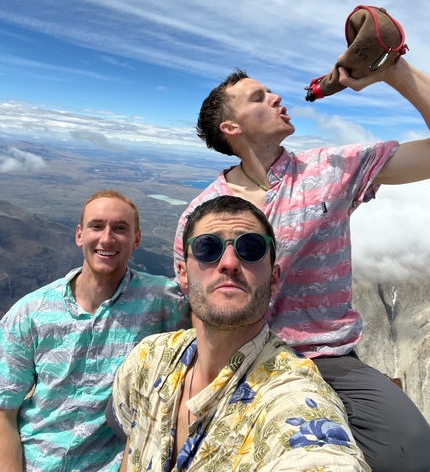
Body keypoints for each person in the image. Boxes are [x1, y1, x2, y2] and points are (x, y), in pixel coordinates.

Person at [173, 58, 430, 472]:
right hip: (235, 358)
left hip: (327, 358)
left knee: (412, 449)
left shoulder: (332, 169)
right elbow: (198, 305)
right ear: (231, 128)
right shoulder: (201, 214)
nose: (276, 97)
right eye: (259, 97)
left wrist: (393, 71)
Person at [112, 196, 369, 471]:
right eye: (208, 247)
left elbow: (317, 454)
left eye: (251, 248)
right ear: (183, 274)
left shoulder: (290, 398)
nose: (230, 262)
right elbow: (134, 446)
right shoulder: (147, 360)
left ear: (273, 278)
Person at [0, 190, 190, 472]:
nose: (107, 238)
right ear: (79, 235)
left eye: (120, 229)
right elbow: (5, 410)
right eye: (97, 226)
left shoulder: (163, 301)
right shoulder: (30, 312)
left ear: (136, 239)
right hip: (34, 461)